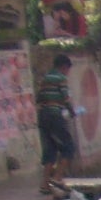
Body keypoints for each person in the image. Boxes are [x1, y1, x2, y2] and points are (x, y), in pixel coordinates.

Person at [36, 52, 79, 191]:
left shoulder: (44, 79)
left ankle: (44, 184)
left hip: (43, 116)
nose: (67, 73)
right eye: (67, 70)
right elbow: (66, 98)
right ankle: (57, 178)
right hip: (55, 116)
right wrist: (72, 112)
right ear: (64, 67)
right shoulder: (60, 78)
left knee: (50, 150)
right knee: (68, 147)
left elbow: (39, 99)